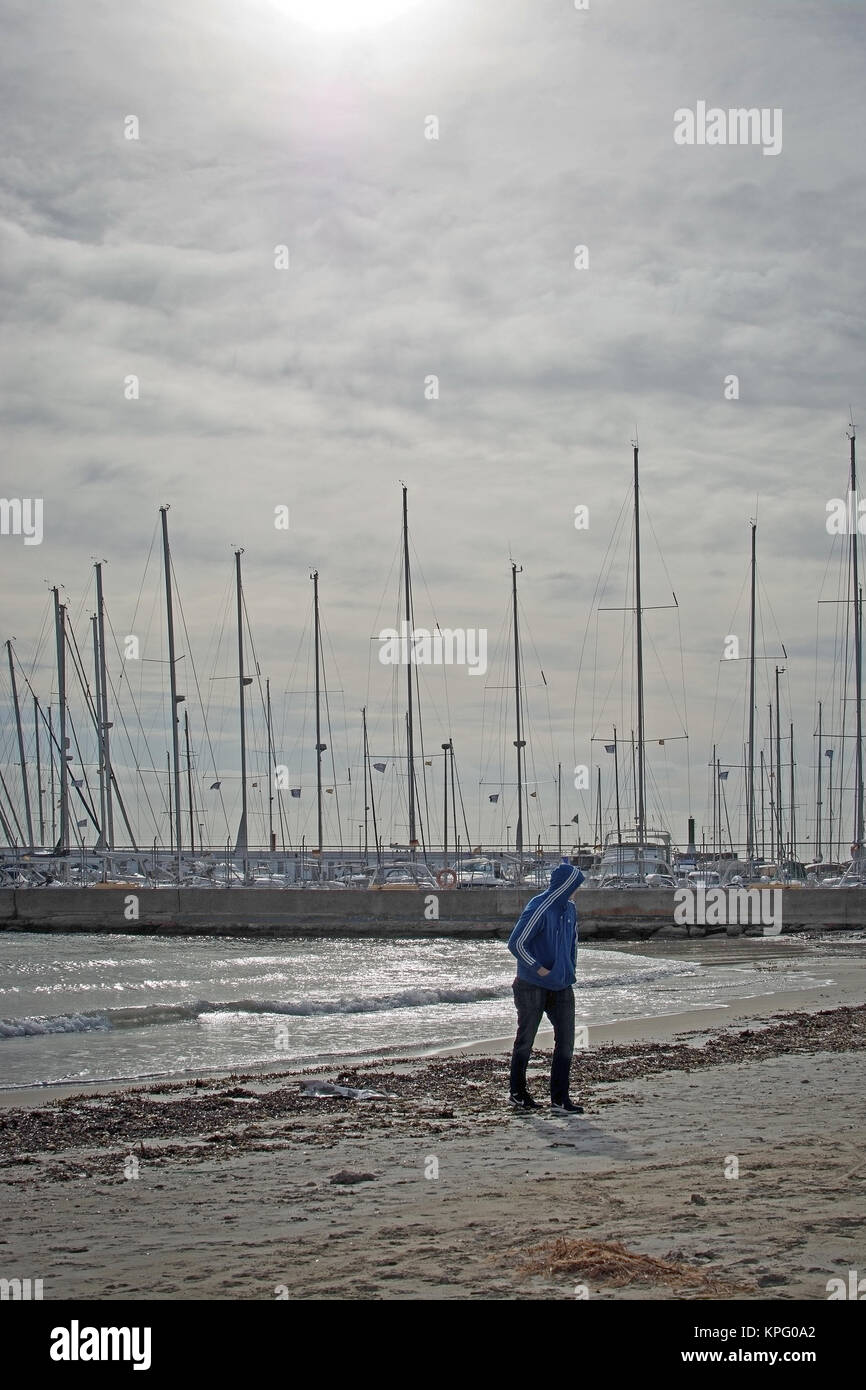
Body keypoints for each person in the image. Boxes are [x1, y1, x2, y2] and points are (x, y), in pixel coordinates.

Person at [506, 857, 585, 1113]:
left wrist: (569, 970)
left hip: (562, 984)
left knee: (567, 1040)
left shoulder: (571, 909)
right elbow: (516, 944)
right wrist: (540, 969)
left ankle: (560, 1100)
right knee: (526, 1040)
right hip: (531, 984)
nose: (578, 890)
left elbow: (572, 944)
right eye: (576, 885)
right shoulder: (540, 906)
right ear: (565, 885)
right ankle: (517, 1093)